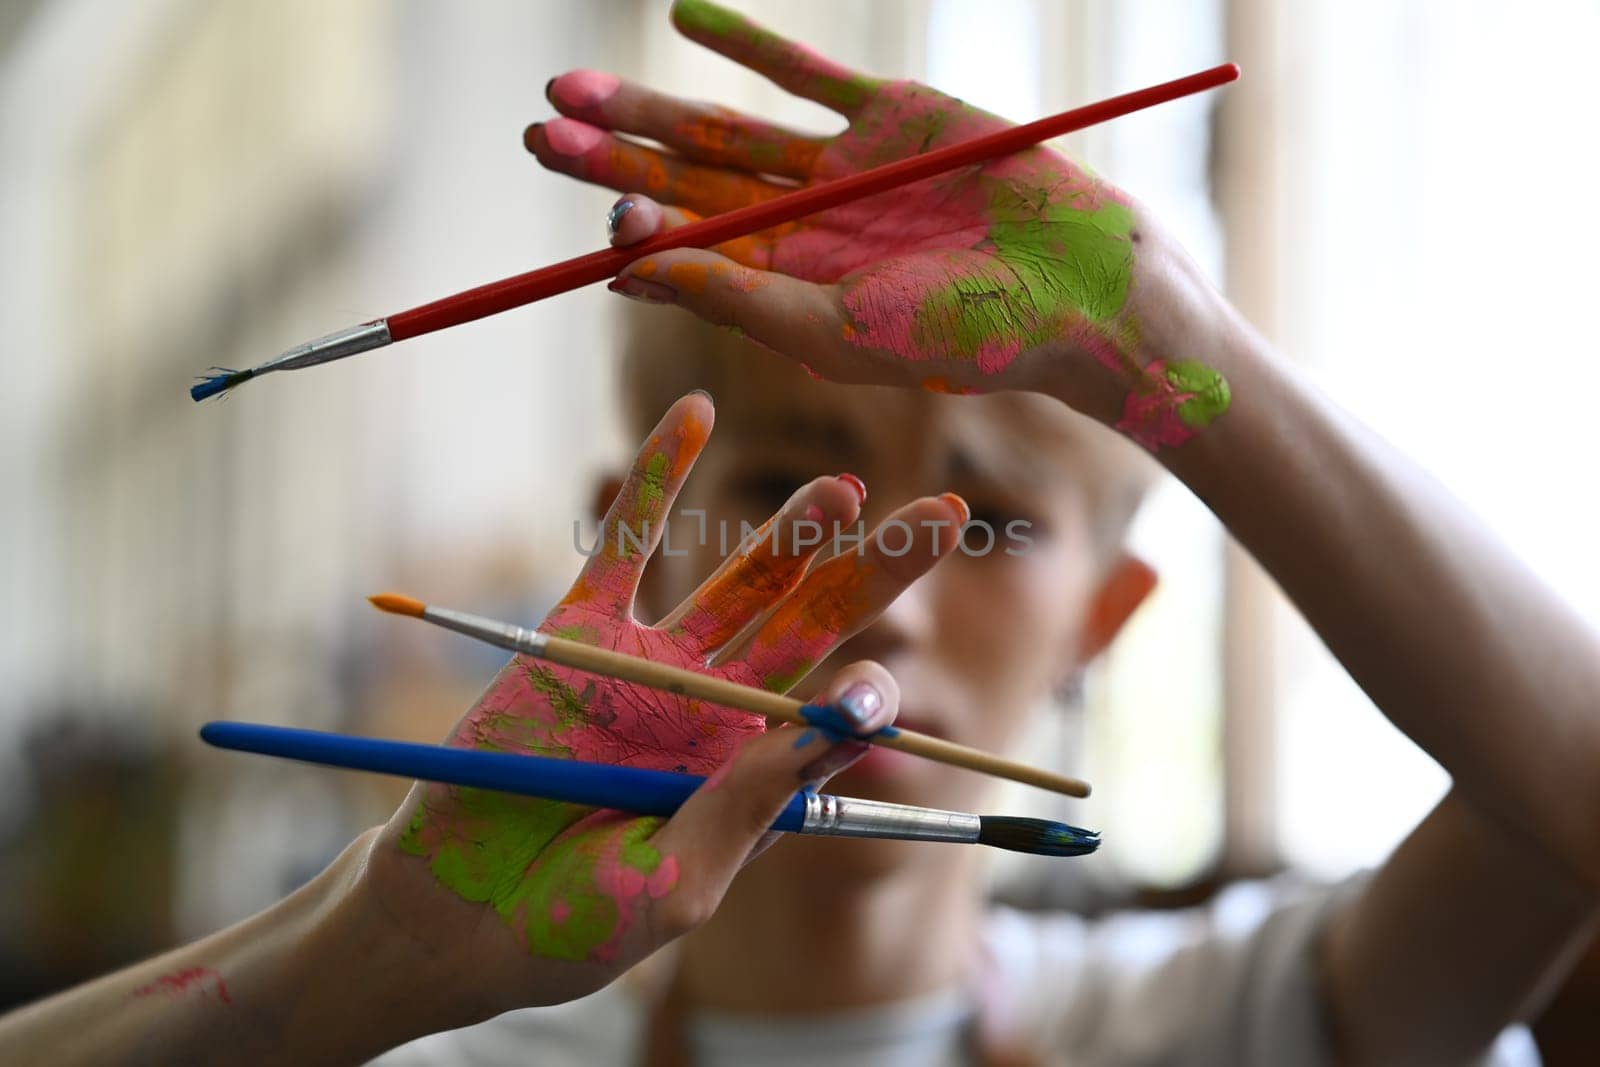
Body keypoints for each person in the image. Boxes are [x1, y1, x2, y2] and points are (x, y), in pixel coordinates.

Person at [4, 1, 1598, 1063]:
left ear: (1103, 625)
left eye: (985, 524)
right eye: (792, 487)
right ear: (635, 549)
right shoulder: (438, 1023)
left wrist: (1186, 352)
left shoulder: (1237, 1024)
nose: (885, 603)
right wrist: (369, 955)